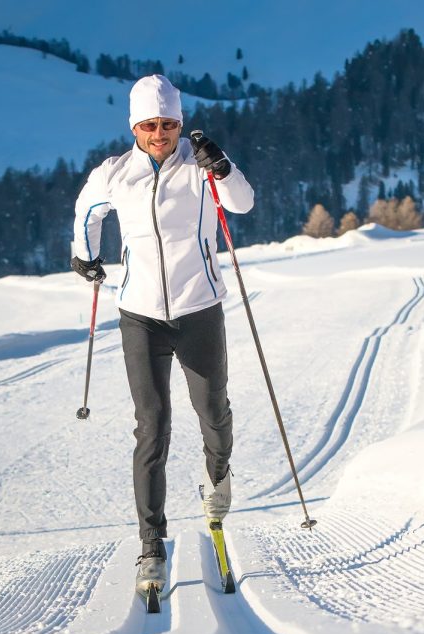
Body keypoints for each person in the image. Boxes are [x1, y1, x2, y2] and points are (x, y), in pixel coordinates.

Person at [71, 74, 254, 596]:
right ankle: (151, 546)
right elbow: (87, 211)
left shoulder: (199, 171)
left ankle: (217, 486)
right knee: (152, 427)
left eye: (169, 123)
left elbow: (241, 203)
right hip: (140, 315)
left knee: (213, 411)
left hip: (199, 309)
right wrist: (84, 254)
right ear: (135, 125)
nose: (160, 133)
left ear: (179, 123)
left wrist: (222, 166)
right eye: (150, 124)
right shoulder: (115, 174)